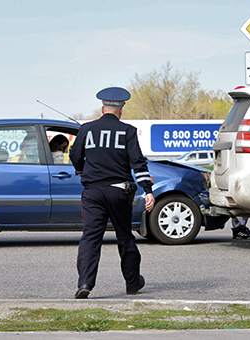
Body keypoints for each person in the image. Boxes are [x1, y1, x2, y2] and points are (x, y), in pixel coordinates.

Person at [69, 86, 155, 299]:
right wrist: (148, 190)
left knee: (90, 238)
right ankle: (133, 283)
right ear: (121, 110)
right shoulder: (128, 131)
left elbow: (75, 155)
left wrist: (81, 171)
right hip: (119, 192)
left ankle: (85, 283)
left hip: (93, 193)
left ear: (102, 108)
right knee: (125, 237)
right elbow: (138, 163)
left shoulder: (86, 129)